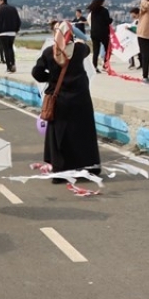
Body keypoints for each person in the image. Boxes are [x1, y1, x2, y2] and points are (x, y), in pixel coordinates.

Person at [31, 21, 101, 182]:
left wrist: (52, 79)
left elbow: (37, 72)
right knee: (83, 132)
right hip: (80, 98)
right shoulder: (80, 49)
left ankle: (61, 170)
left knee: (60, 135)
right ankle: (87, 166)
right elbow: (87, 47)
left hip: (60, 99)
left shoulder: (49, 52)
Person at [0, 0, 21, 73]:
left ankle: (9, 67)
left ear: (2, 0)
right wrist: (16, 30)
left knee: (5, 49)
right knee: (10, 48)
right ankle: (13, 64)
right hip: (12, 33)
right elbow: (18, 21)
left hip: (2, 33)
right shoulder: (13, 9)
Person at [86, 0, 112, 73]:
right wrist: (111, 20)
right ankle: (105, 65)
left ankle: (94, 67)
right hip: (103, 33)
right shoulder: (104, 10)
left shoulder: (92, 11)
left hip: (94, 33)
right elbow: (107, 21)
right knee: (108, 49)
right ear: (102, 2)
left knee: (95, 51)